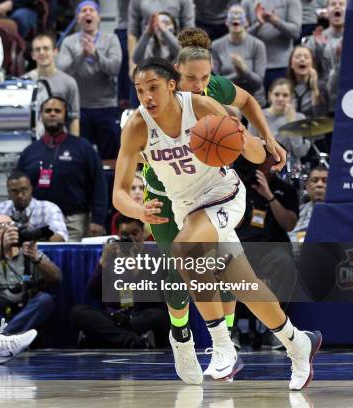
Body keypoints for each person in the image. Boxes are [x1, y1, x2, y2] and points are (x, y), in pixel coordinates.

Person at [115, 57, 321, 390]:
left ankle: (222, 344)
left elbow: (254, 155)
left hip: (223, 193)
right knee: (244, 284)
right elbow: (119, 193)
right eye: (140, 91)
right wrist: (138, 211)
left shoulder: (201, 106)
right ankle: (298, 343)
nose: (147, 97)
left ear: (171, 85)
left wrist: (251, 141)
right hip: (187, 207)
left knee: (184, 252)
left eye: (153, 88)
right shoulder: (137, 126)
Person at [141, 28, 289, 357]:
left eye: (204, 78)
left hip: (209, 190)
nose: (199, 85)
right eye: (191, 79)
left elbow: (248, 100)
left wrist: (268, 139)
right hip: (166, 193)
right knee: (176, 270)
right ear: (173, 78)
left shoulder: (212, 91)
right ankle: (179, 332)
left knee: (224, 265)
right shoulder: (157, 102)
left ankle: (227, 340)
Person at [16, 96, 108, 241]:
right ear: (41, 116)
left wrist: (97, 219)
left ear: (66, 116)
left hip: (73, 222)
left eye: (57, 111)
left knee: (71, 263)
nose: (52, 113)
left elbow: (99, 184)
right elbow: (17, 186)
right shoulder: (29, 152)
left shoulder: (83, 147)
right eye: (48, 111)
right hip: (38, 221)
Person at [70, 215, 168, 348]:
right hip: (113, 316)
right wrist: (102, 263)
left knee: (161, 317)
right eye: (125, 235)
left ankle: (101, 339)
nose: (131, 239)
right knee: (78, 313)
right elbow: (92, 292)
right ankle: (135, 342)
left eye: (135, 233)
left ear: (143, 234)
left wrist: (136, 271)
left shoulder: (154, 257)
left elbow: (156, 296)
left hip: (138, 317)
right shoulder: (110, 257)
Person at [0, 214, 61, 335]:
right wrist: (0, 249)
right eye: (1, 226)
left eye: (11, 225)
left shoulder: (30, 253)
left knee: (45, 300)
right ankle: (8, 336)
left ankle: (3, 337)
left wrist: (36, 258)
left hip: (25, 313)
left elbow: (56, 279)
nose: (8, 229)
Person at [56, 1, 122, 160]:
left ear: (98, 17)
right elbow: (63, 71)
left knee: (110, 158)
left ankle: (110, 184)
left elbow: (115, 68)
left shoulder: (111, 39)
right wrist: (82, 56)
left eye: (91, 10)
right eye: (83, 10)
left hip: (106, 107)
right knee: (81, 157)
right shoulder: (69, 42)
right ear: (78, 18)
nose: (87, 13)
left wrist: (95, 55)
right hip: (79, 109)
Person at [0, 170, 68, 241]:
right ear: (8, 193)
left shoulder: (48, 208)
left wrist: (35, 235)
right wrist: (3, 234)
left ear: (31, 189)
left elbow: (61, 236)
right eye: (14, 191)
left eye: (24, 190)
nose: (20, 195)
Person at [241, 0, 302, 93]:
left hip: (282, 65)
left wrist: (275, 21)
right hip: (254, 68)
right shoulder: (247, 2)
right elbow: (241, 37)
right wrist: (258, 25)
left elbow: (296, 32)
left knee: (282, 103)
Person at [212, 5, 268, 107]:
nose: (236, 18)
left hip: (254, 101)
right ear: (226, 22)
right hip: (228, 102)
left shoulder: (258, 45)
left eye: (240, 15)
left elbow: (258, 83)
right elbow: (216, 84)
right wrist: (237, 75)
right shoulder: (216, 46)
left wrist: (244, 69)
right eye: (232, 15)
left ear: (246, 22)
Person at [248, 78, 310, 170]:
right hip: (263, 168)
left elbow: (300, 152)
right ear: (269, 95)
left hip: (290, 169)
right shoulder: (257, 116)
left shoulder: (300, 118)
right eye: (276, 95)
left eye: (285, 95)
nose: (280, 98)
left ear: (291, 98)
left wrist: (292, 122)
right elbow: (250, 148)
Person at [27, 34, 80, 136]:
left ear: (55, 51)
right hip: (32, 142)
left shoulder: (69, 82)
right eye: (38, 50)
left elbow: (74, 118)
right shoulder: (24, 82)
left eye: (46, 48)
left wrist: (74, 147)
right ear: (33, 55)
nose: (42, 52)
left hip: (59, 141)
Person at [127, 0, 195, 75]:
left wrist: (163, 30)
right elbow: (133, 33)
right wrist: (132, 65)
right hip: (148, 60)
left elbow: (189, 33)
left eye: (166, 23)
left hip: (176, 61)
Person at [286, 45, 329, 118]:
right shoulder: (285, 86)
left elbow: (321, 115)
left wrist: (314, 88)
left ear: (312, 64)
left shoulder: (321, 86)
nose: (302, 59)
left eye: (306, 57)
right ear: (291, 64)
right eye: (298, 57)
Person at [289, 165, 328, 243]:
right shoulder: (297, 213)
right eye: (315, 180)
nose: (319, 184)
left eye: (325, 181)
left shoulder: (341, 214)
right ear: (307, 186)